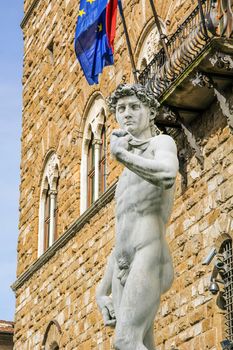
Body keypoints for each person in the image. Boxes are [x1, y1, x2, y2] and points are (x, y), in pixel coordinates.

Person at [96, 84, 179, 350]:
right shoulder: (124, 176)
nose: (127, 114)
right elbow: (122, 231)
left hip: (149, 253)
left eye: (134, 107)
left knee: (125, 341)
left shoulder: (161, 143)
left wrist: (122, 155)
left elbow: (167, 174)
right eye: (121, 109)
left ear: (151, 111)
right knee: (137, 343)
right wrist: (102, 289)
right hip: (122, 265)